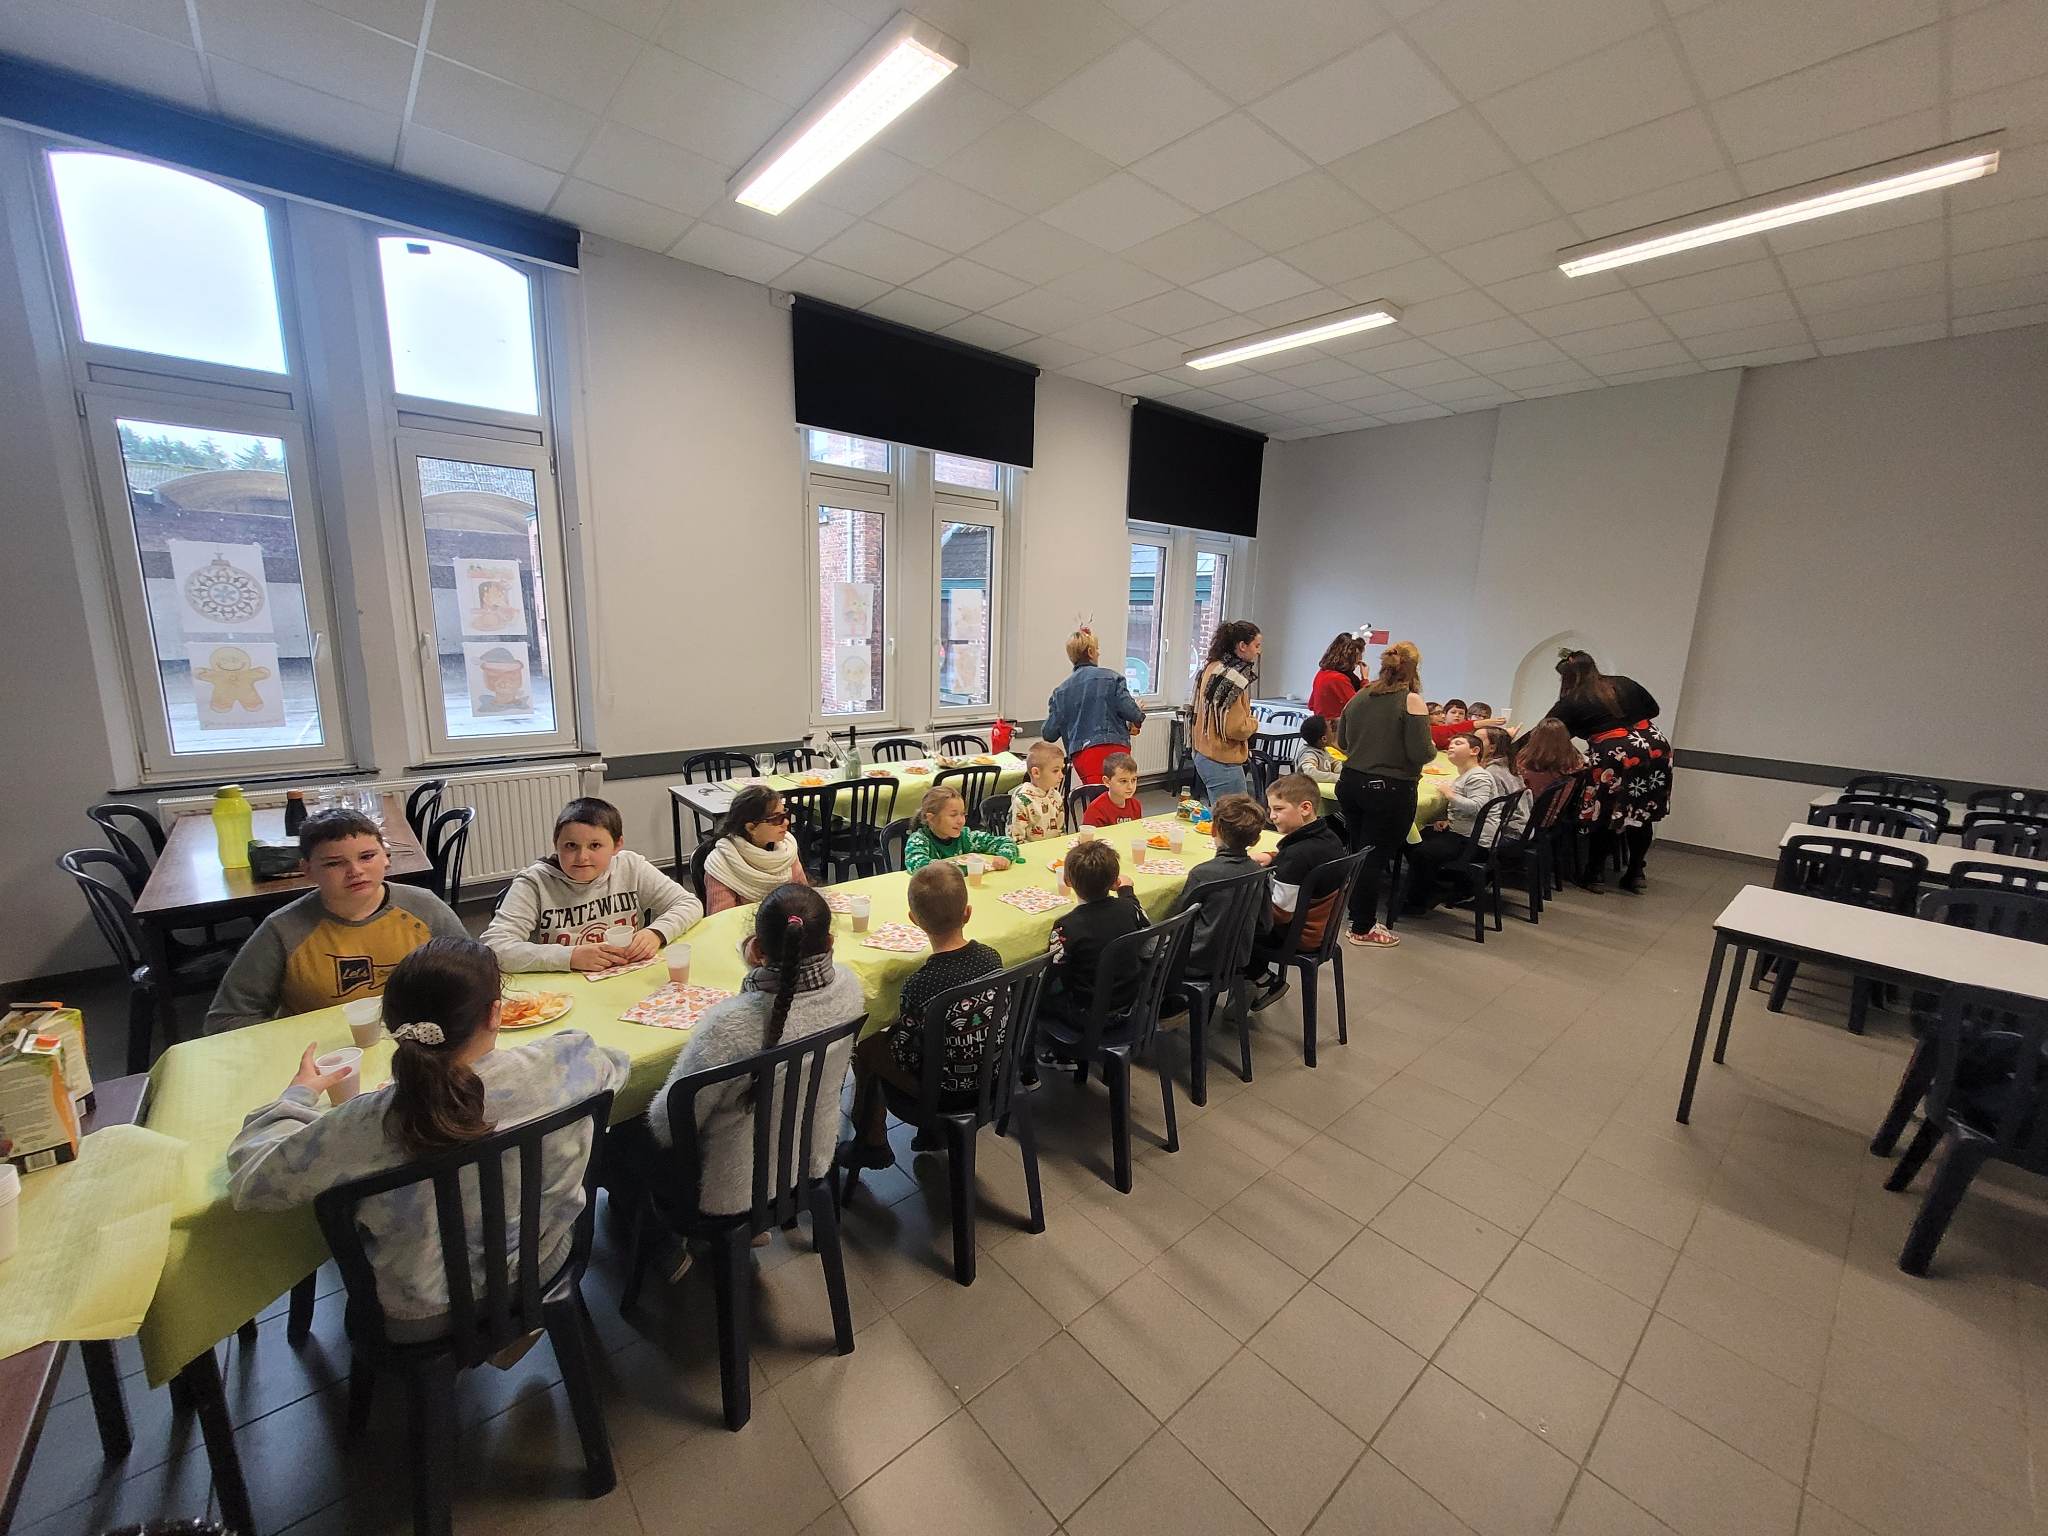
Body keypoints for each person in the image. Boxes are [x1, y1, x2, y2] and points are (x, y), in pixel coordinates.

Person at [225, 937, 630, 1339]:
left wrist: (298, 1094)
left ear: (392, 1027)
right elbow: (617, 1065)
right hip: (541, 1265)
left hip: (419, 1312)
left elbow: (252, 1177)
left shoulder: (364, 1123)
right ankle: (516, 1334)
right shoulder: (565, 1062)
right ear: (496, 1014)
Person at [644, 886, 864, 1217]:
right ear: (830, 942)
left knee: (626, 1140)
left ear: (757, 949)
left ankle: (663, 1242)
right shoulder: (851, 987)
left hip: (734, 1186)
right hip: (811, 1156)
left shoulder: (730, 1024)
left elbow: (667, 1126)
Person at [207, 809, 467, 1033]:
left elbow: (473, 977)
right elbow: (227, 1018)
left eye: (367, 856)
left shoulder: (425, 908)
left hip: (414, 1043)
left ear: (386, 856)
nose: (355, 871)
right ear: (307, 870)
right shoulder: (283, 929)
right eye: (334, 864)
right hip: (325, 1055)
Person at [840, 864, 1004, 1167]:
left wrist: (889, 1035)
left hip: (942, 1093)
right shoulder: (992, 958)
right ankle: (927, 1135)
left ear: (914, 920)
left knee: (866, 1043)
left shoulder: (920, 984)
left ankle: (871, 1142)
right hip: (996, 1077)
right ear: (968, 913)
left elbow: (905, 1057)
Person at [483, 796, 701, 970]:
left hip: (626, 976)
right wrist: (569, 957)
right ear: (556, 844)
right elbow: (494, 948)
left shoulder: (630, 866)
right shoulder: (535, 882)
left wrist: (656, 932)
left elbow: (689, 904)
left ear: (617, 845)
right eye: (570, 846)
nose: (582, 857)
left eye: (595, 845)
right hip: (562, 986)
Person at [1333, 641, 1434, 949]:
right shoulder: (1411, 701)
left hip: (1351, 782)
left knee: (1358, 851)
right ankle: (1362, 926)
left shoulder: (1361, 695)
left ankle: (1352, 914)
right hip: (1389, 789)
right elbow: (1421, 753)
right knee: (1375, 858)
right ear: (1414, 669)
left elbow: (1342, 741)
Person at [1547, 649, 1671, 893]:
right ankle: (1635, 872)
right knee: (1641, 812)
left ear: (1568, 676)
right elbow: (1653, 709)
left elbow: (1550, 732)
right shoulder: (1624, 682)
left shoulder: (1572, 700)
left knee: (1604, 812)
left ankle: (1594, 874)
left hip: (1614, 753)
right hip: (1655, 748)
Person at [1404, 729, 1527, 911]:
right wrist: (1448, 819)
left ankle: (1420, 899)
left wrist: (1449, 794)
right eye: (1451, 743)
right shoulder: (1470, 774)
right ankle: (1428, 886)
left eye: (1459, 743)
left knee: (1421, 850)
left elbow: (1477, 806)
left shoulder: (1479, 776)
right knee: (1415, 839)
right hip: (1467, 832)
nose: (1451, 746)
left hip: (1474, 841)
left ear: (1475, 751)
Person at [1043, 840, 1148, 1027]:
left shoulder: (1066, 926)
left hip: (1087, 1015)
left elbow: (1053, 973)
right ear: (1115, 882)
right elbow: (1142, 917)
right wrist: (1126, 890)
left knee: (1031, 993)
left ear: (1067, 881)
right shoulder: (1129, 908)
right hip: (1132, 1004)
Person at [1168, 793, 1268, 979]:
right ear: (1256, 840)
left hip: (1195, 961)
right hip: (1238, 958)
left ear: (1213, 830)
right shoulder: (1259, 872)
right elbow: (1266, 924)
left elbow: (1178, 922)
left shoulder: (1202, 873)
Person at [1252, 772, 1348, 945]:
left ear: (1305, 808)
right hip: (1321, 930)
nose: (1272, 816)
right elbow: (1305, 863)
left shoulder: (1296, 856)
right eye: (1270, 810)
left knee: (1231, 915)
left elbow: (1280, 914)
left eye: (1278, 809)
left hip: (1295, 937)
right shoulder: (1329, 837)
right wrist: (1272, 856)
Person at [1042, 629, 1145, 785]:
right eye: (1097, 649)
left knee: (1095, 796)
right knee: (1119, 794)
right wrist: (1137, 708)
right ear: (1090, 652)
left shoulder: (1060, 692)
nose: (1098, 653)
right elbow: (1133, 714)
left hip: (1083, 756)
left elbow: (1049, 733)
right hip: (1114, 749)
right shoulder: (1113, 678)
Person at [696, 786, 810, 913]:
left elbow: (805, 900)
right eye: (776, 819)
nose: (786, 822)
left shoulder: (787, 851)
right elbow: (722, 919)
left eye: (785, 814)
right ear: (751, 828)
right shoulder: (721, 865)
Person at [1190, 620, 1262, 802]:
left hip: (1204, 752)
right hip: (1222, 760)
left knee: (1221, 811)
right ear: (1242, 646)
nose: (1258, 651)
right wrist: (1253, 723)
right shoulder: (1232, 677)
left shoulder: (1213, 667)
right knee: (1234, 814)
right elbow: (1236, 728)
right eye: (1256, 645)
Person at [903, 784, 1019, 872]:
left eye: (963, 814)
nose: (961, 821)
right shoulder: (919, 840)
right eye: (953, 815)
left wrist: (1004, 856)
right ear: (931, 818)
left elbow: (1006, 842)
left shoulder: (966, 836)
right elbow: (918, 865)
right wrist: (964, 868)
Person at [1514, 718, 1585, 823]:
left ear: (1535, 737)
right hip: (1558, 817)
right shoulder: (1576, 763)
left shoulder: (1526, 763)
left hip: (1529, 817)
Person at [1008, 740, 1067, 843]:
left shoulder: (1056, 796)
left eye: (1062, 770)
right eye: (1055, 771)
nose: (1061, 775)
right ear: (1036, 773)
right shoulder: (1022, 801)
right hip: (1030, 851)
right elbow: (1016, 840)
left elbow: (1061, 831)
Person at [1307, 633, 1364, 722]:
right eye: (1358, 654)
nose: (1360, 658)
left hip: (1323, 725)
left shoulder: (1322, 673)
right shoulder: (1338, 678)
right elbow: (1360, 708)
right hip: (1334, 728)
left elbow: (1312, 705)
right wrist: (1365, 679)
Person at [1082, 752, 1144, 828]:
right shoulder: (1095, 811)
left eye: (1133, 780)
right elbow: (1091, 835)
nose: (1130, 787)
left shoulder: (1136, 805)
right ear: (1107, 781)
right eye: (1123, 781)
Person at [1297, 716, 1341, 786]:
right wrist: (1337, 777)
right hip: (1308, 790)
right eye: (1331, 730)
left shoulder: (1323, 749)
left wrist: (1344, 774)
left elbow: (1334, 763)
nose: (1333, 733)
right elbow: (1310, 774)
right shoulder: (1308, 754)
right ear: (1324, 739)